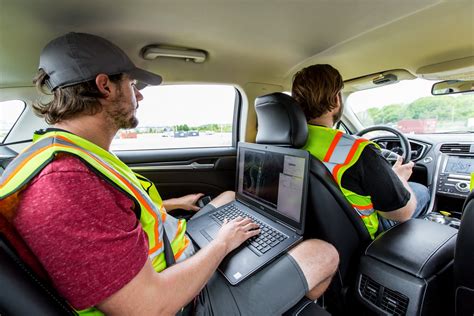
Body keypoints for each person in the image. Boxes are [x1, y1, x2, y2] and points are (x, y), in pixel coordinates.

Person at [0, 33, 339, 315]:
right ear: (105, 86)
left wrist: (170, 204)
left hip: (167, 263)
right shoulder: (66, 183)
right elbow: (150, 308)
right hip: (180, 304)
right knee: (323, 254)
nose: (139, 94)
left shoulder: (65, 151)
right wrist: (221, 244)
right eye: (131, 84)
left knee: (229, 199)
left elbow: (114, 217)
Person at [291, 64, 430, 239]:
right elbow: (401, 213)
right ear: (336, 100)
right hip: (360, 235)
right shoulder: (358, 150)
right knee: (421, 192)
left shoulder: (287, 143)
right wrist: (400, 179)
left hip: (315, 229)